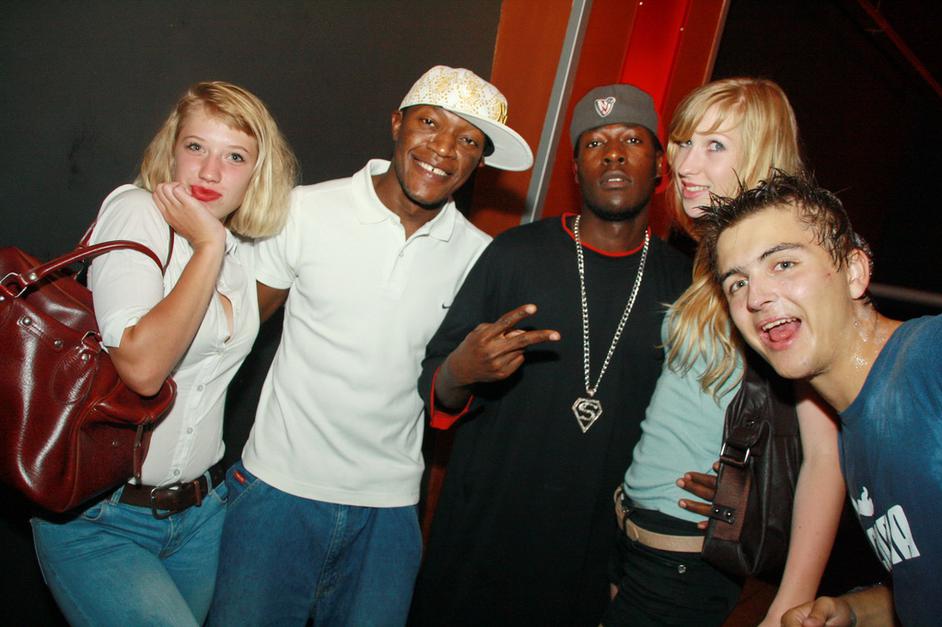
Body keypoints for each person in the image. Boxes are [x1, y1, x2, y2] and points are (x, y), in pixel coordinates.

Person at [207, 65, 533, 626]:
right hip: (277, 491)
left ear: (480, 161)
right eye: (429, 123)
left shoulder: (481, 257)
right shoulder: (306, 209)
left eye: (468, 140)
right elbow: (232, 332)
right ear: (396, 124)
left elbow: (451, 389)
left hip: (389, 511)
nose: (443, 149)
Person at [408, 83, 691, 625]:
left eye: (632, 140)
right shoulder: (515, 254)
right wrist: (462, 370)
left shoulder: (685, 287)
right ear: (576, 170)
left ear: (660, 165)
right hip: (481, 545)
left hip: (593, 558)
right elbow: (436, 385)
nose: (613, 154)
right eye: (594, 144)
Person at [29, 81, 298, 626]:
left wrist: (217, 244)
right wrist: (207, 246)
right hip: (103, 520)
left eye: (235, 157)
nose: (210, 172)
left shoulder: (243, 255)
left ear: (256, 173)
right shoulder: (137, 213)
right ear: (171, 149)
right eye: (196, 147)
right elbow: (143, 368)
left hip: (201, 516)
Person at [603, 78, 845, 626]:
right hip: (638, 535)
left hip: (683, 561)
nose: (686, 164)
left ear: (760, 153)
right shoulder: (714, 258)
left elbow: (826, 454)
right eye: (685, 143)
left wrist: (788, 606)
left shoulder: (784, 268)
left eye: (715, 146)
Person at [699, 170, 941, 627]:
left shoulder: (931, 358)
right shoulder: (852, 436)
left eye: (783, 264)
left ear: (854, 272)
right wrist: (854, 610)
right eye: (737, 283)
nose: (756, 297)